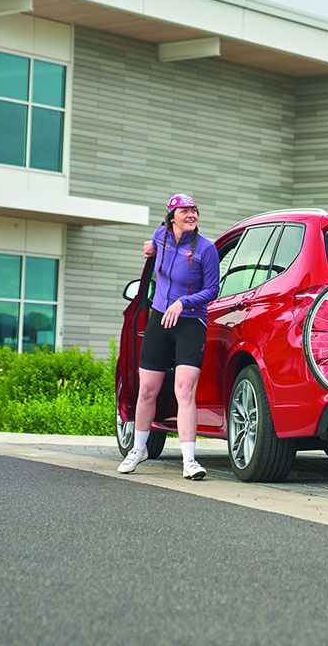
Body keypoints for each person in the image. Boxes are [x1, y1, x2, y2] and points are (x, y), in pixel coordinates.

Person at [118, 193, 219, 480]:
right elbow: (157, 250)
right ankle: (138, 449)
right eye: (184, 211)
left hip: (190, 322)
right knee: (147, 389)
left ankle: (190, 461)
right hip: (158, 318)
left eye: (194, 211)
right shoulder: (160, 236)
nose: (191, 215)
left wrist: (183, 303)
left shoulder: (206, 249)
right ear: (171, 216)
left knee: (185, 389)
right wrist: (151, 249)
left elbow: (213, 290)